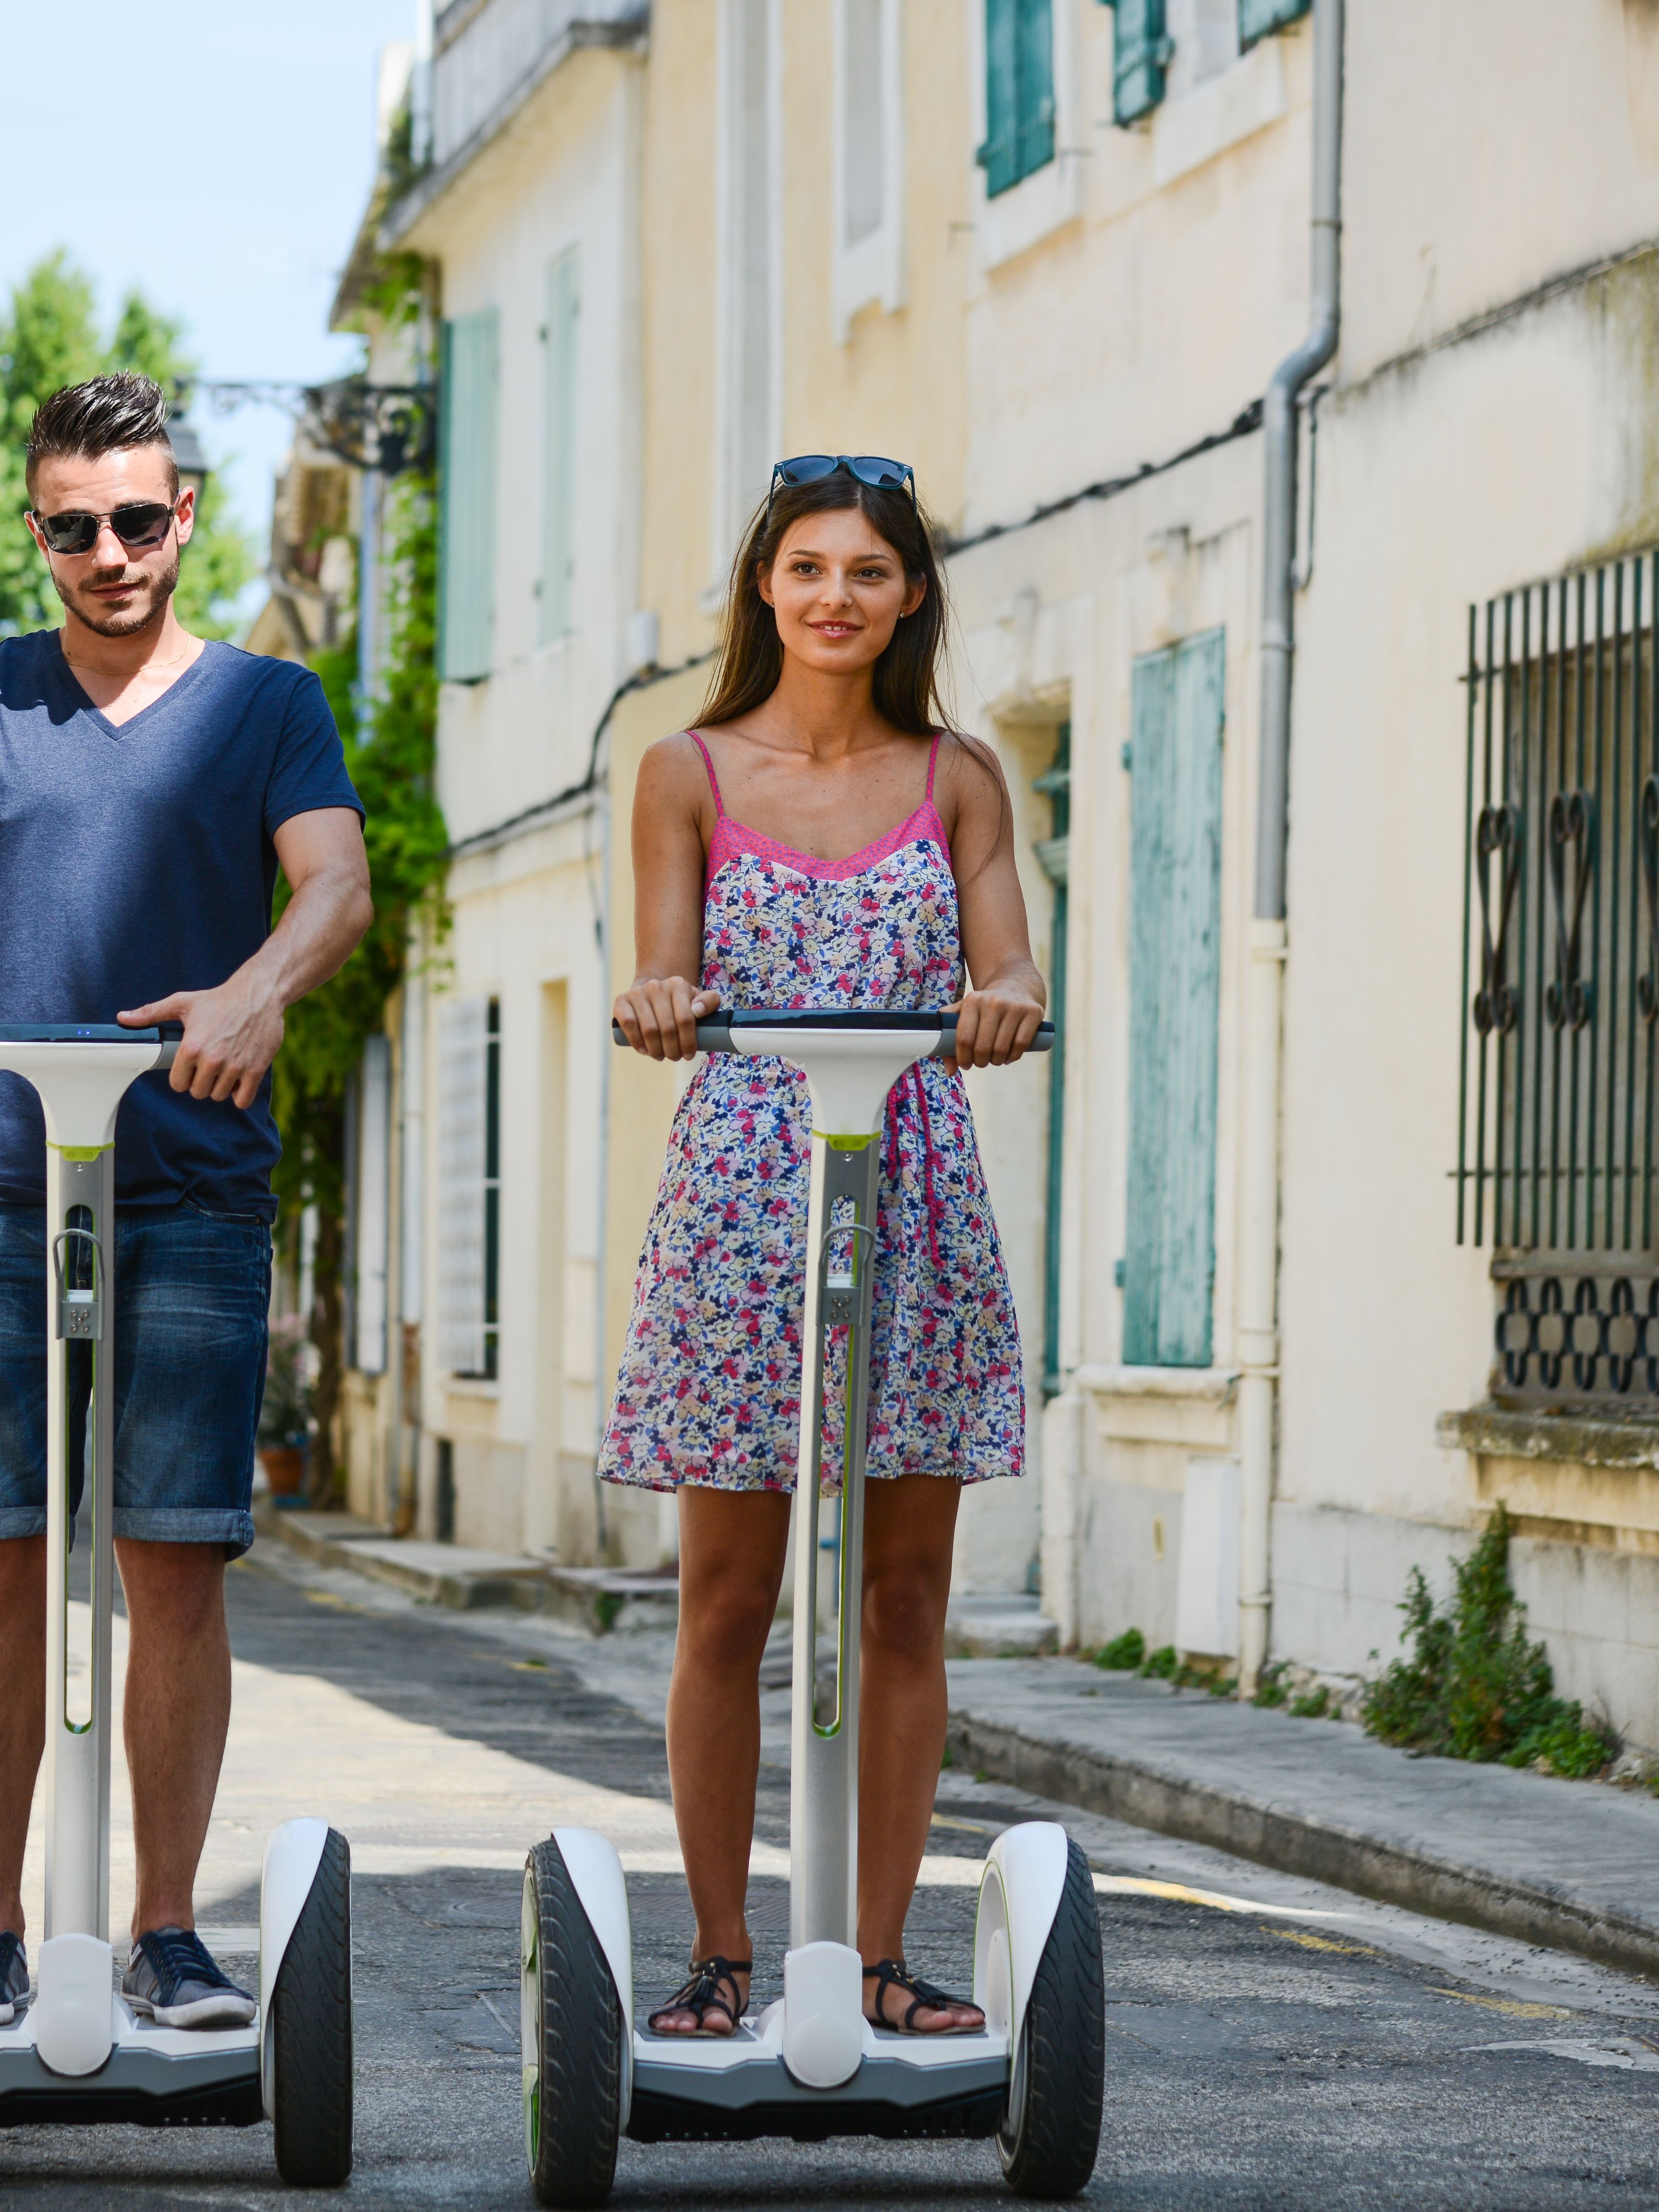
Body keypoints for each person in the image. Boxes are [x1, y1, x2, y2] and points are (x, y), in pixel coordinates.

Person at [0, 375, 371, 2032]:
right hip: (1, 1179)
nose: (111, 553)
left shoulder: (265, 704)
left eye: (139, 520)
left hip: (191, 1184)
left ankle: (165, 1929)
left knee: (173, 1566)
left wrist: (254, 991)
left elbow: (331, 879)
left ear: (184, 515)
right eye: (76, 526)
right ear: (39, 528)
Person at [601, 455, 1046, 2041]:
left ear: (909, 593)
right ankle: (722, 1952)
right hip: (739, 1199)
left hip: (909, 1189)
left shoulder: (960, 776)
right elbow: (663, 969)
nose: (836, 599)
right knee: (727, 1598)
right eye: (806, 570)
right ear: (764, 590)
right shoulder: (683, 770)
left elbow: (1008, 963)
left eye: (867, 572)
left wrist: (1003, 1001)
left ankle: (873, 1956)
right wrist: (661, 999)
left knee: (903, 1597)